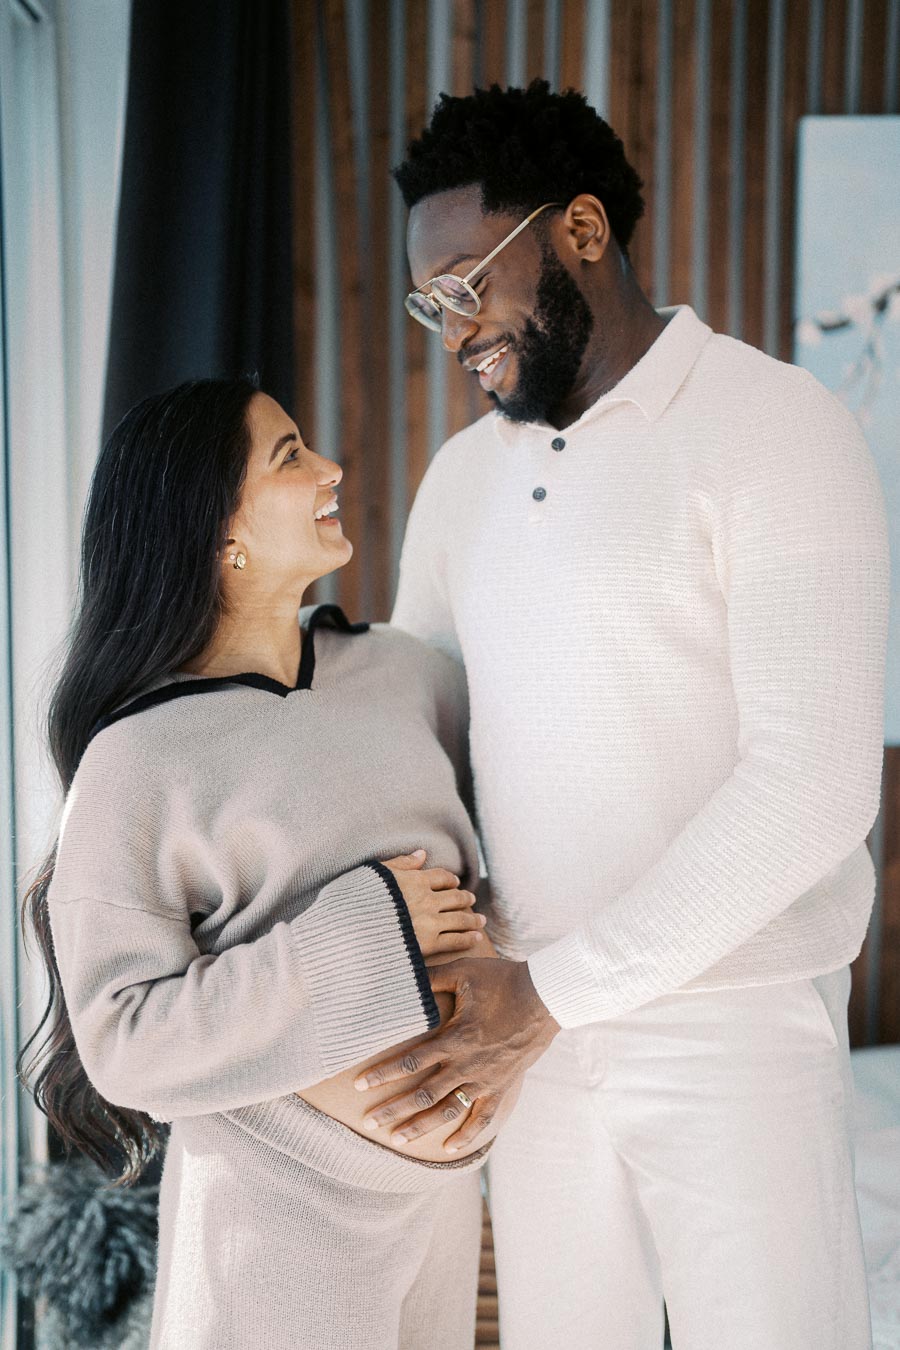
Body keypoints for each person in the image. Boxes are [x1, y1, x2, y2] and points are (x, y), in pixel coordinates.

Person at [356, 80, 890, 1350]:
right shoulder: (460, 481)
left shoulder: (776, 428)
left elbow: (813, 783)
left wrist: (557, 990)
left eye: (468, 283)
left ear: (582, 231)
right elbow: (421, 739)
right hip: (523, 1036)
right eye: (429, 302)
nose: (452, 329)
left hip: (735, 1022)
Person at [17, 375, 524, 1350]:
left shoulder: (409, 676)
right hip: (273, 1224)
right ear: (219, 535)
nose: (333, 469)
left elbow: (510, 864)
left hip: (442, 1206)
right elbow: (126, 1043)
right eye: (290, 456)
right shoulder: (137, 762)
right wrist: (372, 933)